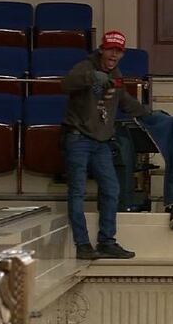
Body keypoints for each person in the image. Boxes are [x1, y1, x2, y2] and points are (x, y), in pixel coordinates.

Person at [61, 30, 150, 260]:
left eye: (118, 51)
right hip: (78, 138)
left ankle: (106, 241)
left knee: (112, 190)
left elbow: (126, 102)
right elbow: (67, 83)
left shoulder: (117, 75)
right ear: (102, 49)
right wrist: (92, 78)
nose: (113, 54)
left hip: (101, 142)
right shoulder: (85, 66)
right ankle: (82, 245)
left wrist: (151, 115)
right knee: (78, 192)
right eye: (110, 49)